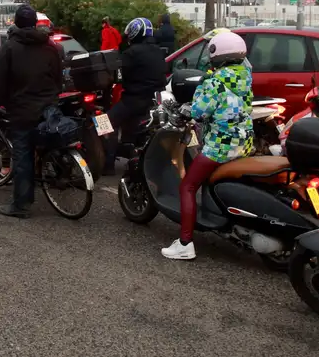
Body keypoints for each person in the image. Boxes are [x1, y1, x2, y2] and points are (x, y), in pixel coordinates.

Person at [161, 32, 254, 260]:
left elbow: (199, 111)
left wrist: (184, 109)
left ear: (217, 55)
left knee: (188, 187)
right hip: (246, 142)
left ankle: (185, 243)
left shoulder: (214, 82)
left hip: (221, 146)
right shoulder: (245, 75)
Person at [0, 5, 63, 218]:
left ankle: (21, 204)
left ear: (16, 22)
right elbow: (58, 77)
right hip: (48, 108)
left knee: (22, 156)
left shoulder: (9, 48)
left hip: (22, 111)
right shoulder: (49, 46)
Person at [102, 17, 168, 176]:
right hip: (155, 100)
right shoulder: (159, 51)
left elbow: (118, 76)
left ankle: (107, 165)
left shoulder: (131, 53)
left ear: (134, 33)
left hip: (134, 100)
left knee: (104, 123)